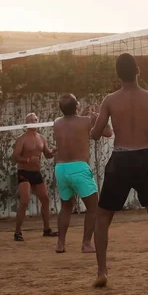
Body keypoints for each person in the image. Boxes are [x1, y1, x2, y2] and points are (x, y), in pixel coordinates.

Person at [91, 53, 148, 288]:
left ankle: (102, 271)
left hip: (120, 159)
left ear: (117, 74)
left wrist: (94, 122)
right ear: (137, 70)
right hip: (144, 157)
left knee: (103, 218)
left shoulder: (109, 100)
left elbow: (96, 135)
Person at [52, 94, 112, 253]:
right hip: (78, 167)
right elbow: (108, 132)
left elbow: (72, 124)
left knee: (66, 207)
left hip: (61, 168)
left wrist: (83, 116)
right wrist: (98, 116)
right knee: (94, 208)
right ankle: (86, 243)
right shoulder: (86, 121)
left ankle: (60, 243)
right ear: (76, 105)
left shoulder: (57, 122)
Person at [12, 113, 58, 241]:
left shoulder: (41, 138)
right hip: (24, 172)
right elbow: (15, 156)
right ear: (26, 122)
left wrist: (53, 152)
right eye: (31, 120)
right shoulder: (22, 139)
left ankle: (47, 229)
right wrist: (27, 160)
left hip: (36, 173)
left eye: (35, 120)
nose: (34, 121)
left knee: (45, 200)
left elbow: (47, 154)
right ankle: (17, 232)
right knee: (24, 200)